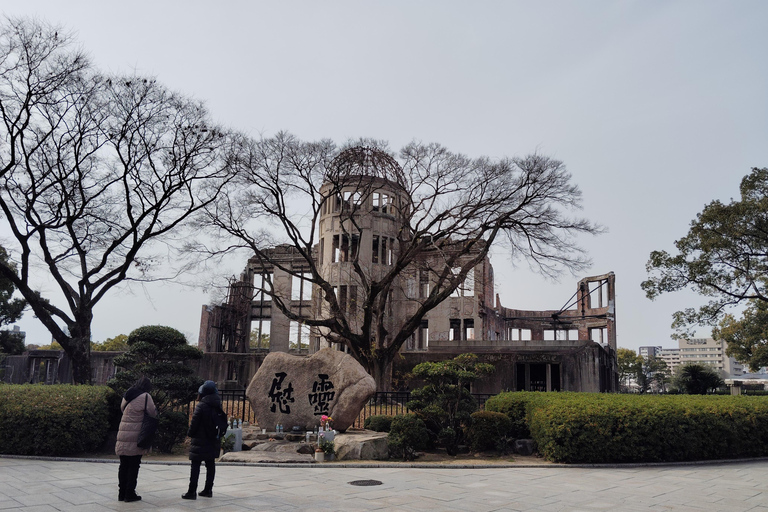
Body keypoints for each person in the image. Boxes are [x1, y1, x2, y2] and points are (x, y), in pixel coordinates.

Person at [115, 376, 156, 502]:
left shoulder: (128, 394)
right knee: (134, 465)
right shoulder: (146, 397)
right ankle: (129, 493)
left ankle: (121, 493)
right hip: (136, 435)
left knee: (123, 465)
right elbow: (152, 412)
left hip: (123, 433)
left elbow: (122, 408)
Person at [183, 380, 224, 500]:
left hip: (199, 440)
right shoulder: (218, 404)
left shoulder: (201, 405)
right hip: (212, 439)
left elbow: (194, 424)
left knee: (195, 466)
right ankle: (208, 490)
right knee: (210, 465)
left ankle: (191, 492)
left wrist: (190, 434)